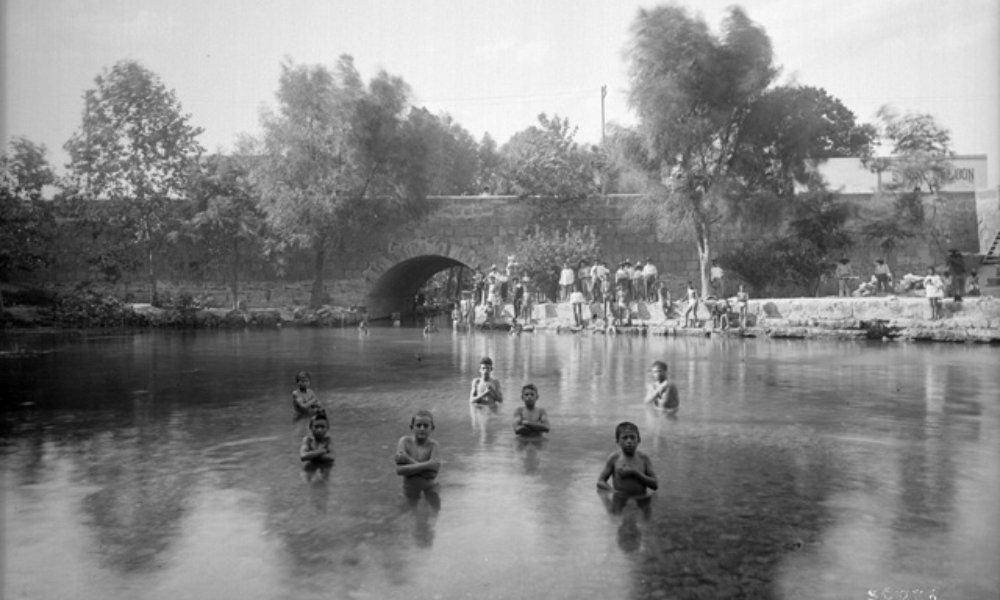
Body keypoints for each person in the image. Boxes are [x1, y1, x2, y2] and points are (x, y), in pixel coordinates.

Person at [596, 422, 658, 497]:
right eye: (625, 438)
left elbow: (655, 485)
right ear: (617, 441)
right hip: (620, 501)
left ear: (638, 440)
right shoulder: (614, 458)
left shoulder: (644, 458)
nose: (629, 441)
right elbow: (600, 482)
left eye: (632, 437)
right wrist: (614, 492)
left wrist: (635, 472)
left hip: (640, 499)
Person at [394, 410, 441, 503]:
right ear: (412, 427)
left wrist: (407, 459)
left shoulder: (434, 445)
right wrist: (428, 466)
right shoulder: (404, 442)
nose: (422, 428)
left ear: (432, 428)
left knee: (432, 516)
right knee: (408, 515)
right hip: (409, 490)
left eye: (426, 426)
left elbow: (433, 474)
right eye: (418, 425)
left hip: (430, 490)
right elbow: (399, 470)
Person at [300, 412, 335, 481]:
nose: (319, 430)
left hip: (324, 470)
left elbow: (331, 457)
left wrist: (311, 455)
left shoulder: (328, 440)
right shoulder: (307, 440)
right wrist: (323, 451)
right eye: (316, 427)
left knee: (324, 486)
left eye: (322, 427)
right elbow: (303, 456)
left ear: (327, 428)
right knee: (307, 484)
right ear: (310, 427)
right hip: (309, 470)